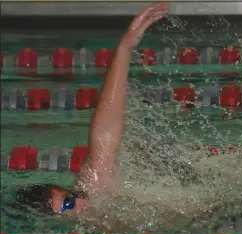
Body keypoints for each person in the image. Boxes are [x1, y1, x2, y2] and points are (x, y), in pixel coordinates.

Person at [16, 2, 169, 215]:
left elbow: (105, 133)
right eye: (68, 205)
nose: (79, 201)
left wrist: (124, 48)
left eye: (70, 197)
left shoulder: (94, 194)